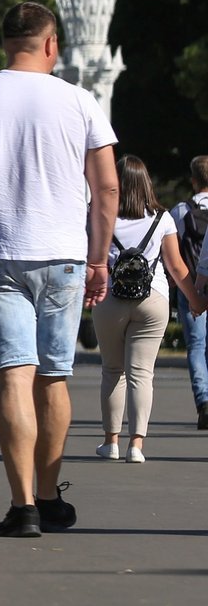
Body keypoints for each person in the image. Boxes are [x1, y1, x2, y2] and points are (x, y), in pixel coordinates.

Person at [0, 1, 119, 537]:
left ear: (5, 43)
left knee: (13, 375)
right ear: (52, 45)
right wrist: (100, 257)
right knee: (54, 377)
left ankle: (22, 509)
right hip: (62, 254)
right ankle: (48, 493)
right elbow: (106, 187)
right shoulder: (80, 101)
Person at [95, 156, 207, 461]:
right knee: (142, 374)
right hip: (153, 299)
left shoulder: (101, 215)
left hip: (110, 300)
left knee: (112, 371)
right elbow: (176, 266)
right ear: (147, 183)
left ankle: (111, 441)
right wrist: (196, 301)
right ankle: (136, 446)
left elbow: (89, 261)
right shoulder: (163, 218)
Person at [167, 156, 208, 430]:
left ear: (193, 180)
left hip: (190, 284)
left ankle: (204, 402)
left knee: (196, 345)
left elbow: (172, 252)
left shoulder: (181, 211)